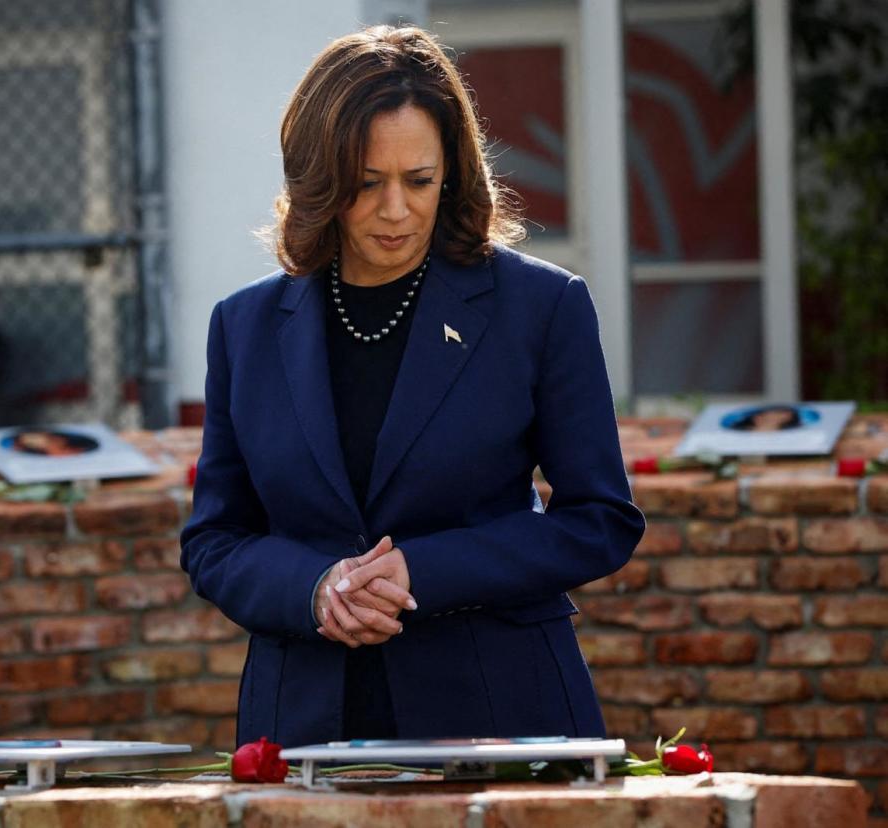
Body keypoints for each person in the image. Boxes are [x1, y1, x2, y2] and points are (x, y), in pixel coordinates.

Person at [180, 26, 646, 748]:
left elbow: (600, 520)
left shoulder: (541, 308)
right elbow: (215, 539)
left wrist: (418, 571)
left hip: (497, 714)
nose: (396, 210)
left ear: (452, 173)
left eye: (419, 180)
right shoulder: (244, 327)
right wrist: (316, 588)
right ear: (317, 181)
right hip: (303, 727)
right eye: (366, 184)